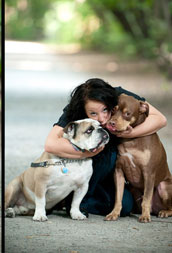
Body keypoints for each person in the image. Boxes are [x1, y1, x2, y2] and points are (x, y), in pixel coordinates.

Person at [44, 78, 167, 216]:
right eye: (93, 114)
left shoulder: (118, 95)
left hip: (109, 174)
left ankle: (70, 197)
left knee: (126, 206)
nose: (102, 119)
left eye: (105, 110)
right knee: (108, 154)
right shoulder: (75, 108)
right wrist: (86, 153)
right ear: (84, 111)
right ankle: (77, 201)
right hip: (87, 164)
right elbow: (51, 144)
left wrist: (129, 133)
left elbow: (160, 119)